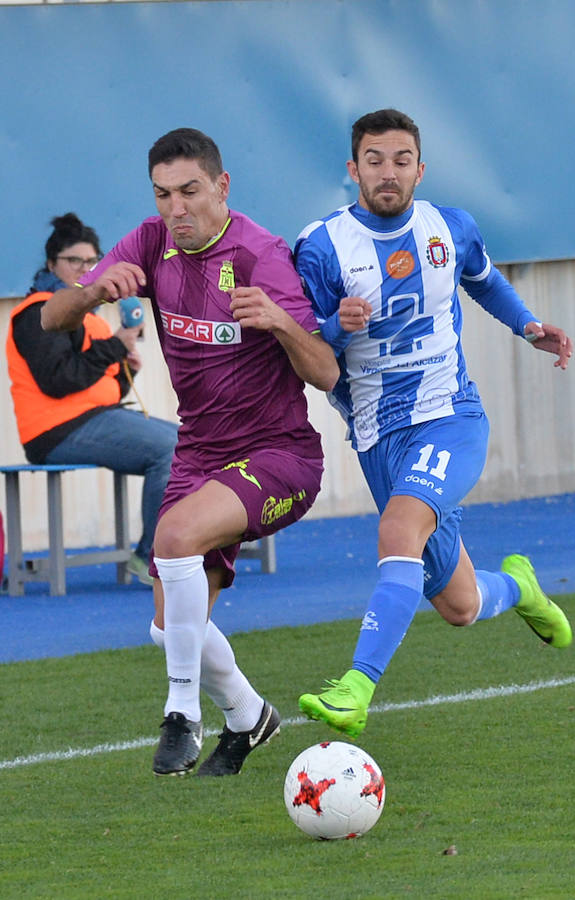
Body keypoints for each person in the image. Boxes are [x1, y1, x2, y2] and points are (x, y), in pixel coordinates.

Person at [41, 129, 339, 777]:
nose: (176, 208)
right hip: (201, 456)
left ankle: (182, 714)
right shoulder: (150, 243)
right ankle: (249, 713)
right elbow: (49, 319)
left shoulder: (262, 255)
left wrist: (284, 322)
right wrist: (95, 293)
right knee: (168, 625)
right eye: (163, 194)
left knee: (173, 537)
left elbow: (326, 374)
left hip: (279, 455)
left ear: (222, 186)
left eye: (190, 191)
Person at [294, 108, 573, 739]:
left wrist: (528, 325)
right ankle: (522, 589)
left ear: (420, 168)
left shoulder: (451, 227)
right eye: (374, 160)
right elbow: (303, 346)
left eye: (400, 161)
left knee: (399, 527)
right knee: (459, 604)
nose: (387, 173)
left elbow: (484, 280)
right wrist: (338, 326)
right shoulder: (320, 247)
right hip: (375, 435)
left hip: (450, 417)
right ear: (352, 169)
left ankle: (355, 687)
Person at [6, 213, 178, 586]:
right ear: (52, 264)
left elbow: (98, 388)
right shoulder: (39, 311)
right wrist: (114, 347)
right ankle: (153, 560)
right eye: (74, 261)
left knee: (193, 443)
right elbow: (58, 381)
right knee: (174, 448)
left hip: (90, 419)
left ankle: (183, 551)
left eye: (92, 261)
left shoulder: (91, 315)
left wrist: (123, 369)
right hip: (56, 430)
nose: (84, 268)